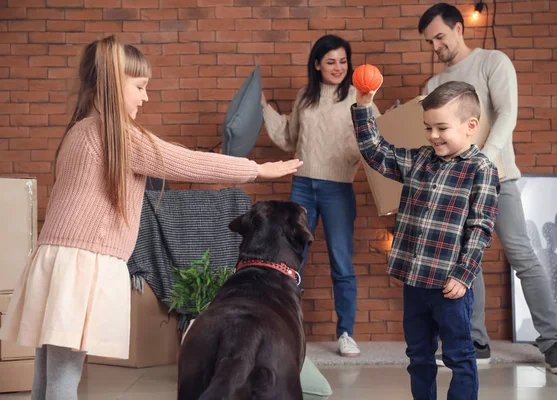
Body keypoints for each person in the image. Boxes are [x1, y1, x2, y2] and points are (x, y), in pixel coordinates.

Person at [0, 35, 302, 400]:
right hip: (81, 266)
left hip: (55, 260)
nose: (145, 97)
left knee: (48, 370)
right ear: (113, 82)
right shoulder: (118, 138)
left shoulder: (79, 131)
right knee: (64, 377)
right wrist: (257, 170)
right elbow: (190, 163)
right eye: (140, 87)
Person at [418, 2, 557, 374]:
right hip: (457, 187)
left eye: (439, 36)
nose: (435, 46)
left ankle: (553, 345)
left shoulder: (493, 62)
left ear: (459, 28)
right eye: (429, 41)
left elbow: (507, 113)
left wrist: (484, 161)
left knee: (522, 255)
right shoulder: (432, 85)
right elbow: (435, 138)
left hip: (498, 177)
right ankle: (477, 342)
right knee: (467, 265)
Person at [352, 80, 500, 400]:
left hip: (450, 286)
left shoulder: (481, 170)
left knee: (458, 356)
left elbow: (480, 228)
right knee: (418, 356)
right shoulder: (420, 160)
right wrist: (364, 107)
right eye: (428, 128)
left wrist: (464, 274)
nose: (433, 136)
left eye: (441, 128)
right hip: (415, 283)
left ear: (470, 126)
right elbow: (375, 151)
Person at [261, 34, 381, 358]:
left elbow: (375, 142)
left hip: (338, 188)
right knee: (292, 261)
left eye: (343, 61)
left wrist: (371, 107)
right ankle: (290, 331)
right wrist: (264, 109)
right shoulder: (305, 97)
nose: (338, 67)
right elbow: (290, 138)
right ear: (317, 64)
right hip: (302, 185)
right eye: (331, 61)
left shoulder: (361, 97)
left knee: (341, 263)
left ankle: (346, 334)